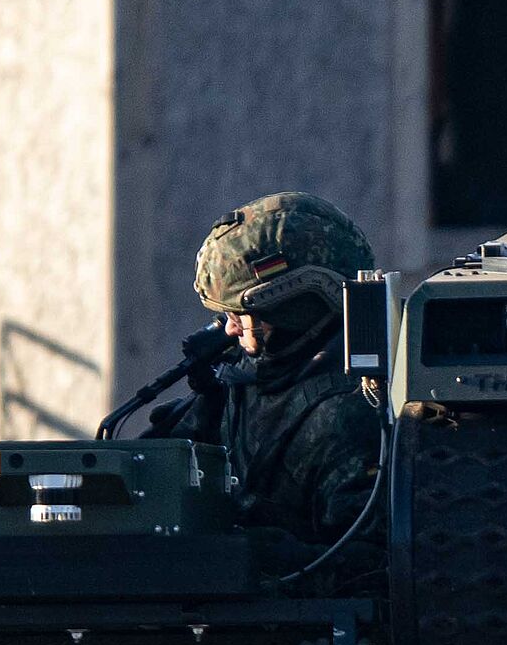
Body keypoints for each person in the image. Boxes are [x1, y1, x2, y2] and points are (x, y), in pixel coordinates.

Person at [143, 191, 385, 592]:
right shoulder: (239, 385)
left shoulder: (351, 413)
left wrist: (262, 556)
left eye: (241, 314)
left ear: (295, 308)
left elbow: (377, 571)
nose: (230, 328)